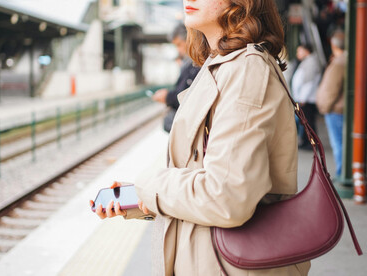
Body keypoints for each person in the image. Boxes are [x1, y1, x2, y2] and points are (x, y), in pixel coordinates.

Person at [91, 0, 311, 275]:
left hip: (227, 265)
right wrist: (143, 199)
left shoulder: (245, 70)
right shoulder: (222, 66)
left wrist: (150, 183)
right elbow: (205, 179)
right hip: (210, 260)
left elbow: (227, 196)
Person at [152, 23, 200, 133]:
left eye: (179, 44)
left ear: (190, 38)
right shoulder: (188, 63)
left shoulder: (197, 63)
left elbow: (189, 97)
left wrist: (167, 97)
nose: (178, 50)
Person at [316, 30, 346, 179]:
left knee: (338, 144)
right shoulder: (344, 60)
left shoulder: (339, 63)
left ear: (334, 45)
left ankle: (341, 172)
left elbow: (331, 89)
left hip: (335, 110)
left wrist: (324, 106)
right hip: (339, 108)